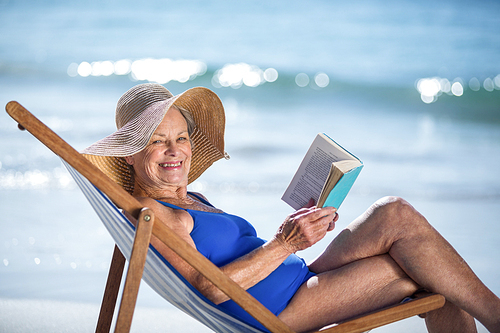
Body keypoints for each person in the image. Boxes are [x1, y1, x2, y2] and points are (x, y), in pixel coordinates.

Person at [82, 83, 500, 333]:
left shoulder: (187, 201)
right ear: (129, 154)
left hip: (297, 281)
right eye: (157, 140)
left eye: (181, 138)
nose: (174, 151)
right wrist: (286, 243)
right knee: (433, 272)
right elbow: (211, 288)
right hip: (279, 310)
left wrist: (303, 227)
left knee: (394, 212)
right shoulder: (160, 216)